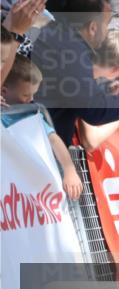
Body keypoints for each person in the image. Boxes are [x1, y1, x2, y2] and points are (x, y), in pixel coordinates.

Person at [32, 0, 119, 146]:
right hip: (41, 144)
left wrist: (107, 92)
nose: (107, 31)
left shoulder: (57, 38)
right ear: (93, 28)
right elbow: (94, 111)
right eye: (106, 24)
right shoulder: (71, 50)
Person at [2, 55, 83, 201]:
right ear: (3, 91)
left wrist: (69, 169)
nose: (31, 99)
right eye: (26, 95)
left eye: (34, 94)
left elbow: (54, 140)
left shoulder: (32, 116)